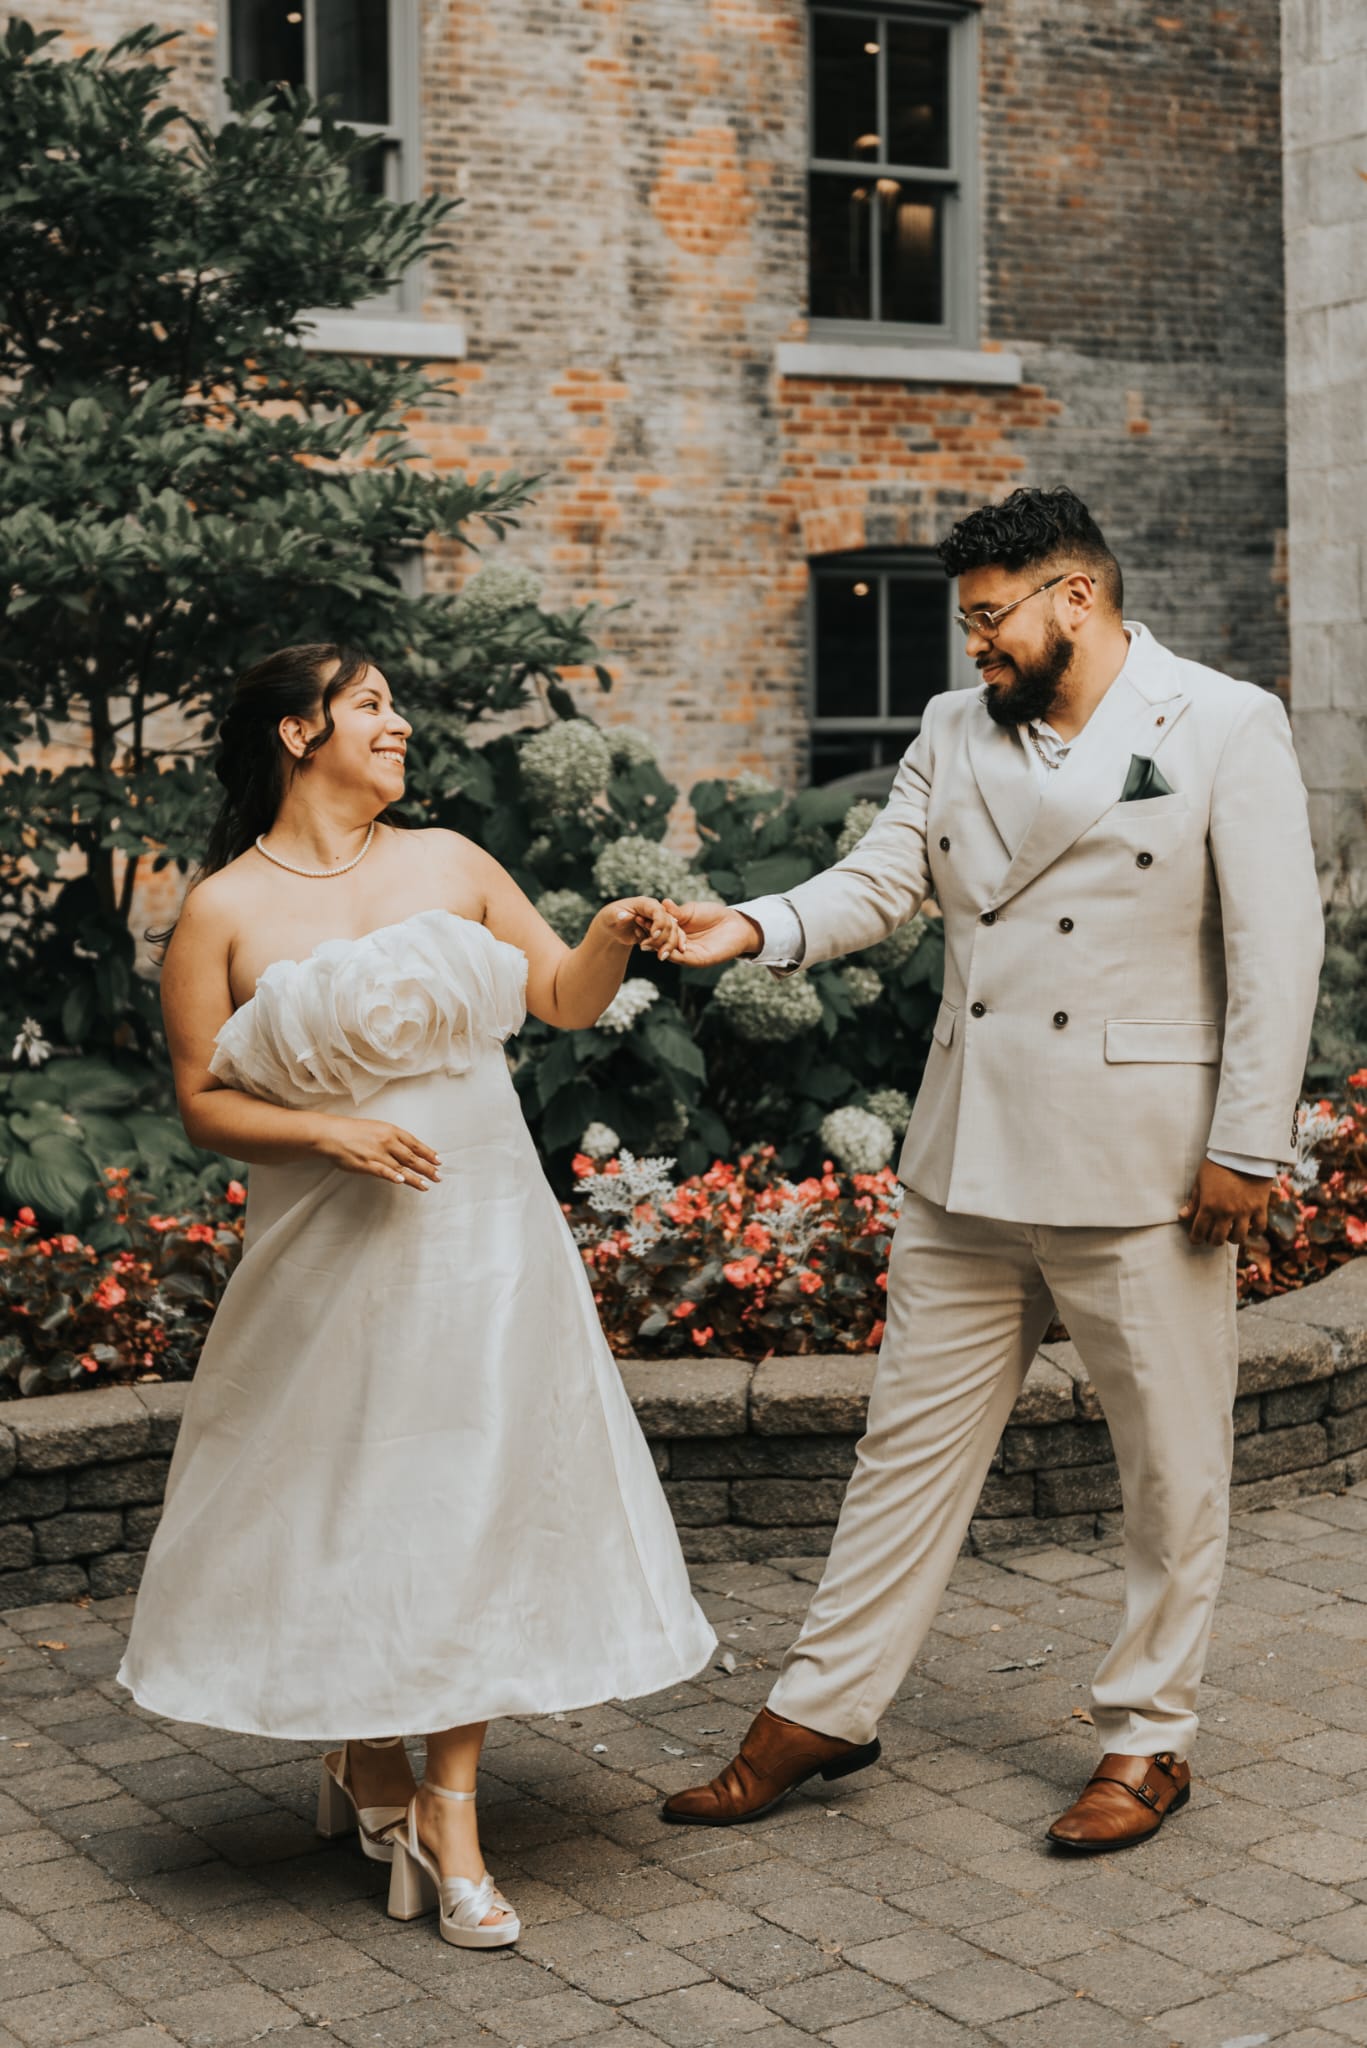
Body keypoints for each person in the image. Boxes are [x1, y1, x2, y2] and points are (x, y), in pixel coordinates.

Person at [655, 486, 1323, 1853]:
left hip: (1142, 1164)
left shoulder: (1221, 721)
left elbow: (1280, 946)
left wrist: (1246, 1144)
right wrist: (751, 928)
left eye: (991, 618)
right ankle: (825, 1708)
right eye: (968, 623)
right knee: (904, 1451)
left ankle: (1148, 1736)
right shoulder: (953, 729)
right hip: (968, 1156)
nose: (975, 647)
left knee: (1170, 1467)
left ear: (1076, 597)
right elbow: (879, 881)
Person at [118, 643, 715, 1947]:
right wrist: (327, 1133)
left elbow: (559, 999)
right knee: (347, 1501)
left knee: (469, 1498)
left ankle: (451, 1809)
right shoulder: (221, 909)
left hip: (485, 1244)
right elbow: (204, 1102)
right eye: (371, 704)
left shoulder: (449, 861)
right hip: (324, 1254)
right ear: (297, 731)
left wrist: (609, 934)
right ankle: (361, 1750)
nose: (398, 724)